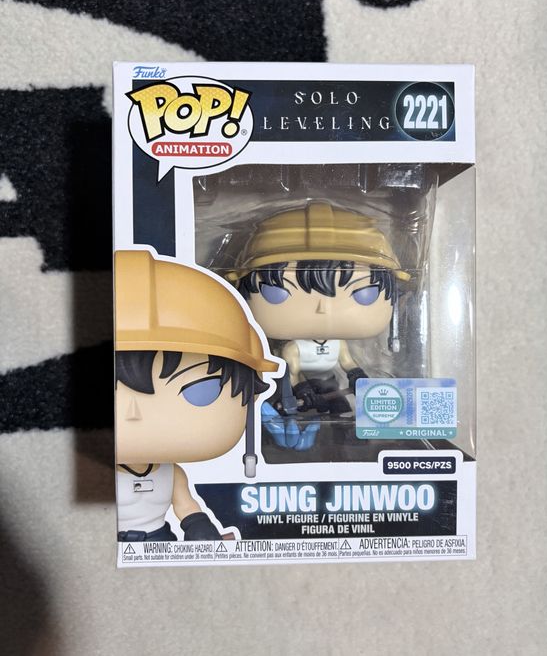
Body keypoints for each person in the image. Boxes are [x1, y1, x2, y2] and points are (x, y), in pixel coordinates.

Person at [115, 250, 280, 541]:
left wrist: (206, 538)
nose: (133, 413)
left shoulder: (171, 473)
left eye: (200, 392)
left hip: (161, 543)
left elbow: (187, 508)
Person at [229, 202, 410, 450]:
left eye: (363, 294)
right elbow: (291, 374)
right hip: (303, 390)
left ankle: (347, 442)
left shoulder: (338, 343)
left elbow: (347, 363)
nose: (322, 308)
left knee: (342, 411)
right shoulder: (293, 348)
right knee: (295, 417)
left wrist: (358, 378)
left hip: (331, 385)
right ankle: (287, 436)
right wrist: (299, 392)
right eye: (278, 293)